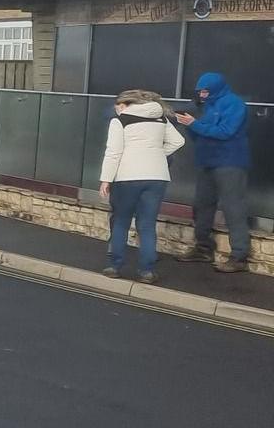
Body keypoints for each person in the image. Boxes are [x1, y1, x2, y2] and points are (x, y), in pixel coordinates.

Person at [98, 89, 183, 283]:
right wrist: (158, 155)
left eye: (119, 106)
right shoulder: (161, 119)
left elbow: (113, 152)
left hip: (128, 176)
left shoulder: (120, 121)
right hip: (157, 177)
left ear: (128, 104)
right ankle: (147, 271)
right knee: (147, 225)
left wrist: (106, 179)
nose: (117, 109)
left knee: (121, 221)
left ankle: (114, 266)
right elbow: (178, 141)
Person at [173, 71, 252, 272]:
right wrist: (189, 125)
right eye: (200, 92)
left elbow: (225, 132)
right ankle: (203, 247)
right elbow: (200, 135)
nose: (202, 95)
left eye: (206, 91)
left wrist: (195, 124)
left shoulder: (234, 104)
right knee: (201, 205)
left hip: (230, 162)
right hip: (207, 162)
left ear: (216, 88)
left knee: (233, 207)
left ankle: (239, 256)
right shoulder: (205, 107)